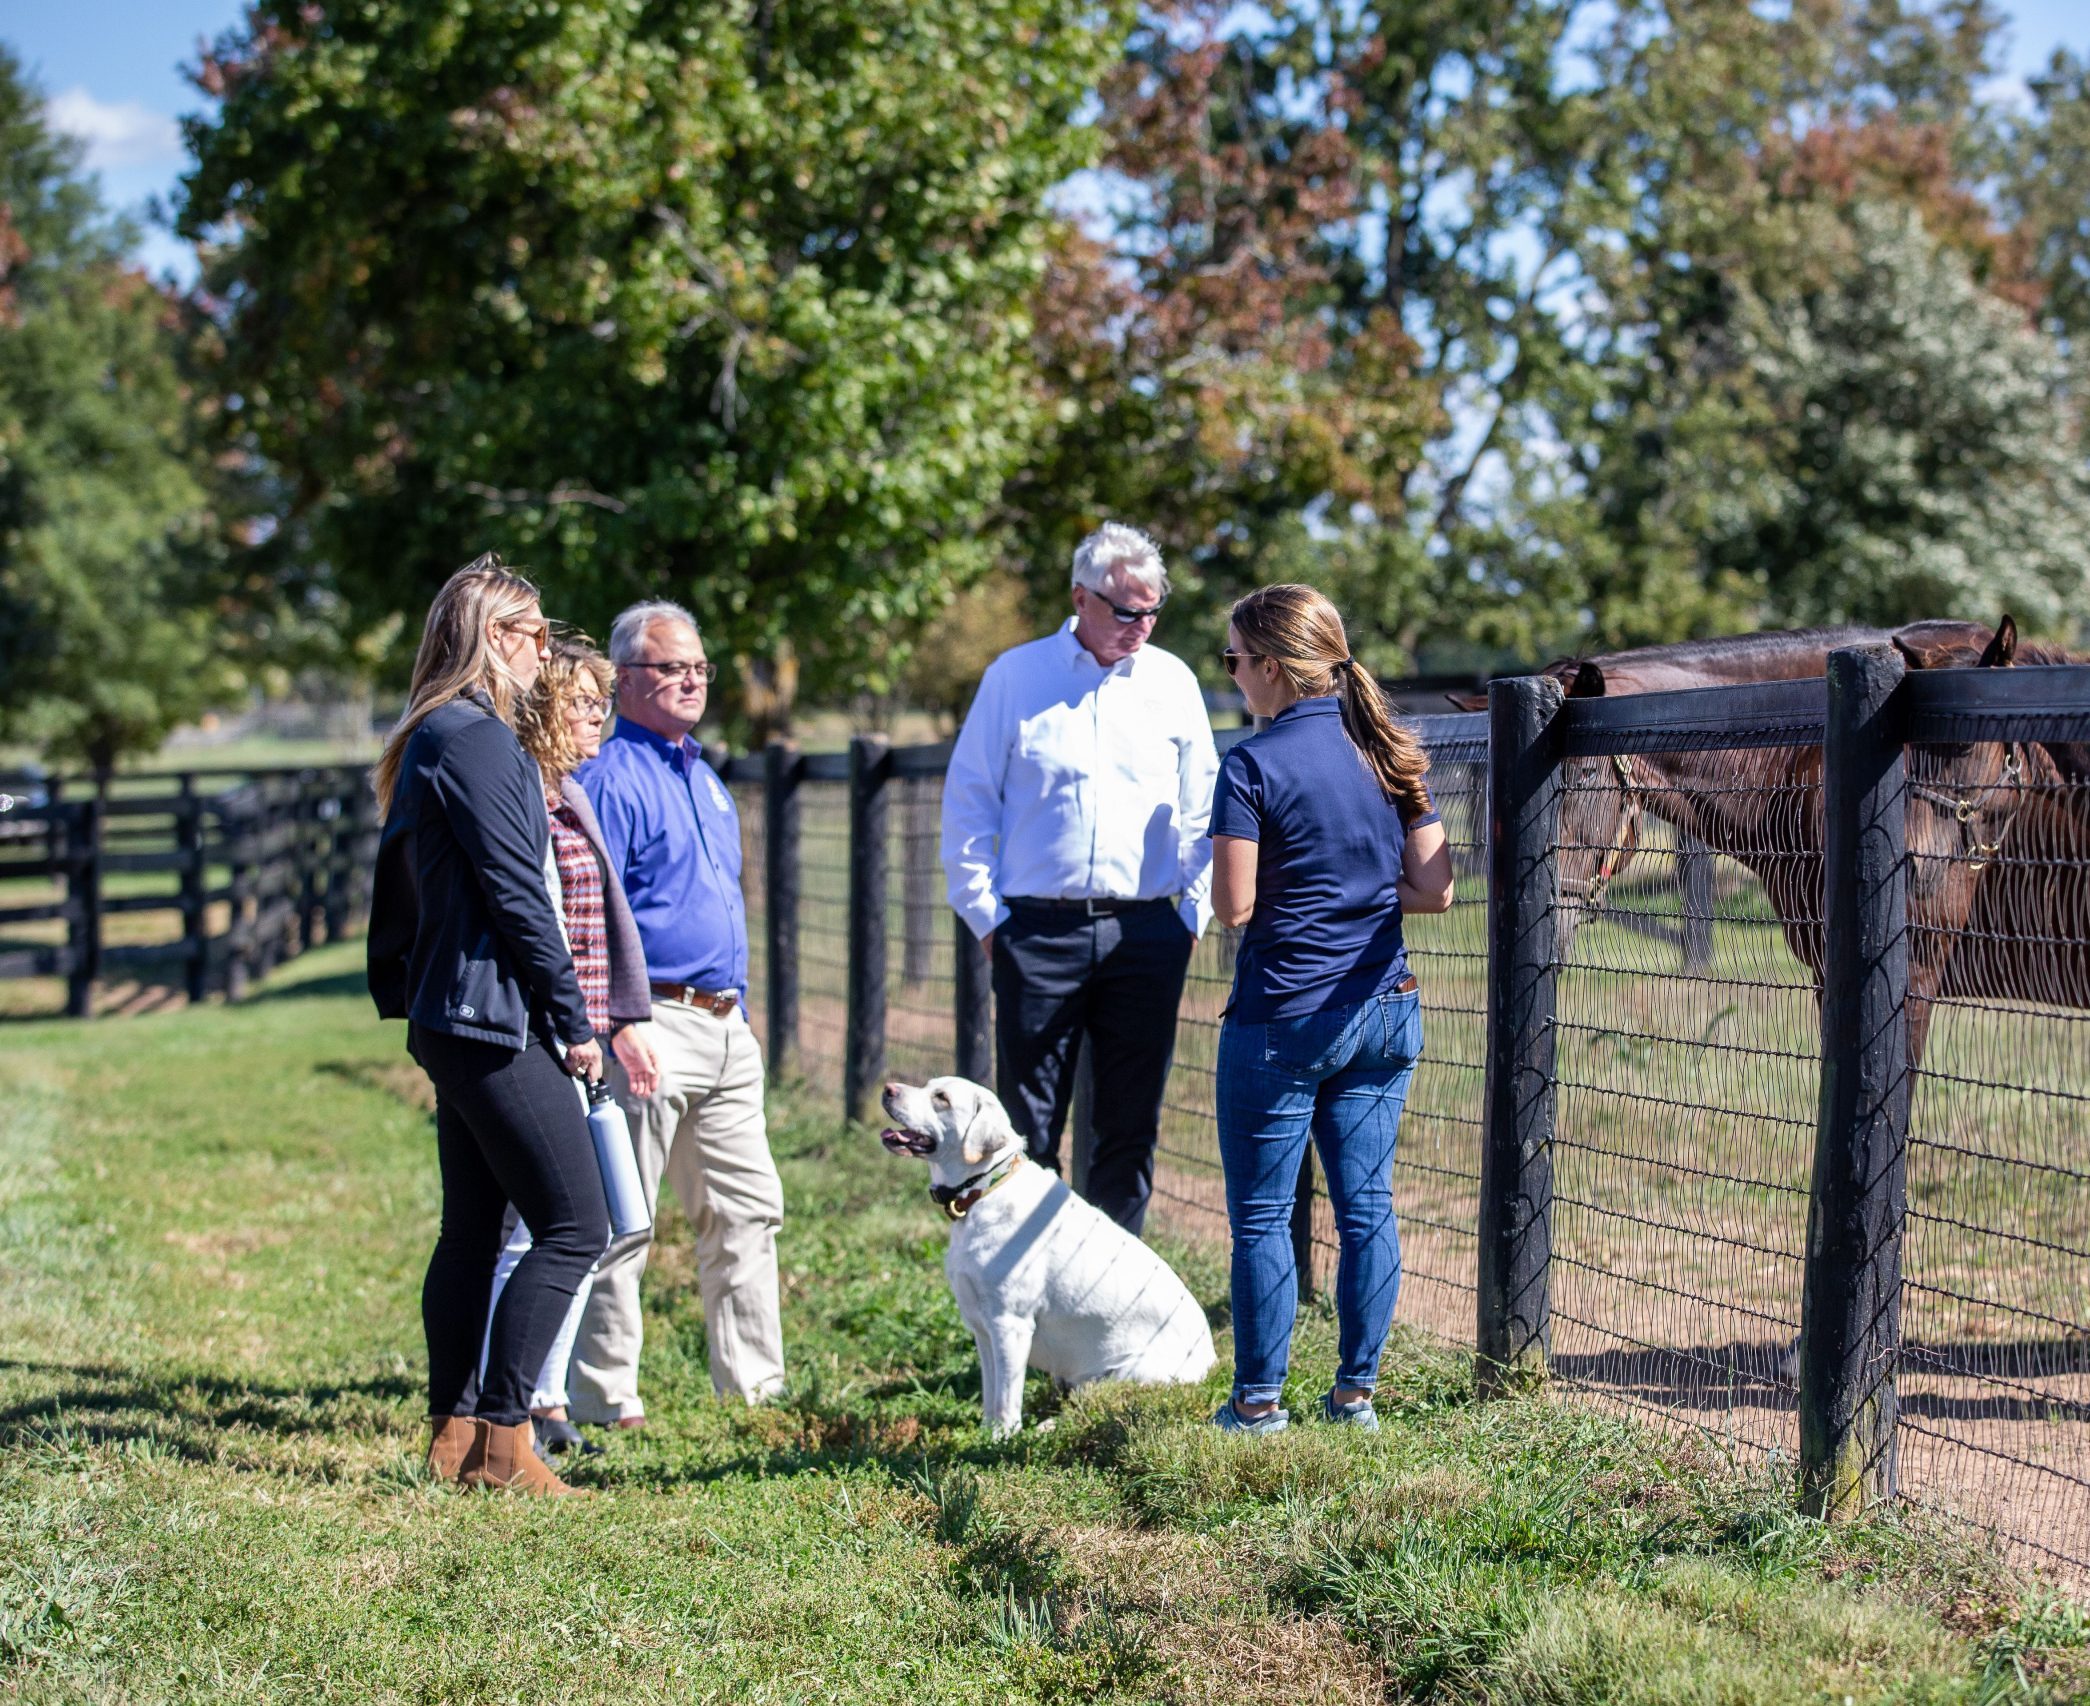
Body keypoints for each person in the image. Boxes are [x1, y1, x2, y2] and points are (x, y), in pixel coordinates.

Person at [367, 554, 608, 1496]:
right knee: (574, 1223)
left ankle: (454, 1433)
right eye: (532, 633)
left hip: (455, 1013)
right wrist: (572, 1016)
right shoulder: (473, 739)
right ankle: (508, 1440)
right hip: (490, 1015)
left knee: (473, 1230)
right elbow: (517, 894)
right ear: (491, 640)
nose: (544, 651)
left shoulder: (441, 733)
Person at [1206, 584, 1455, 1435]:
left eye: (1234, 660)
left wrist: (1300, 886)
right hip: (1386, 1006)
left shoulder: (1250, 765)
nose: (1234, 677)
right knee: (1367, 1207)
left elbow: (1233, 906)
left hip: (1284, 1015)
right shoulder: (1390, 755)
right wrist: (1351, 888)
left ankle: (1258, 1404)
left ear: (1271, 666)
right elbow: (1436, 888)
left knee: (1265, 1218)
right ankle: (1356, 1396)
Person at [941, 522, 1219, 1234]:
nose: (1141, 625)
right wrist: (988, 920)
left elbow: (1202, 806)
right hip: (1035, 931)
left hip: (1147, 931)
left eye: (1153, 610)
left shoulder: (1173, 682)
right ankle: (1027, 1283)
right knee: (1029, 1128)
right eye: (1126, 610)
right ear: (1080, 597)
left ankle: (1111, 1291)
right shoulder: (1015, 677)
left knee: (1130, 1125)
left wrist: (1191, 913)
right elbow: (968, 800)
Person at [567, 599, 785, 1419]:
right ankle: (602, 1398)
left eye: (699, 667)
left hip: (727, 1027)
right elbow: (590, 917)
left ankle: (753, 1391)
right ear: (626, 680)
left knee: (746, 1214)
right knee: (624, 1218)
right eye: (670, 667)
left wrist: (743, 1012)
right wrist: (618, 1023)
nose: (691, 679)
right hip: (648, 1025)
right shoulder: (608, 781)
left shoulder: (705, 774)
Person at [473, 639, 661, 1457]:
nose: (600, 720)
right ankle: (502, 1407)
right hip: (541, 1031)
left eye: (603, 704)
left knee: (578, 1226)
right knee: (537, 1225)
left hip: (579, 1032)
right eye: (584, 704)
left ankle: (540, 1399)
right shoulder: (525, 799)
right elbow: (533, 922)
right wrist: (569, 1025)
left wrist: (612, 1020)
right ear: (544, 708)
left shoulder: (570, 795)